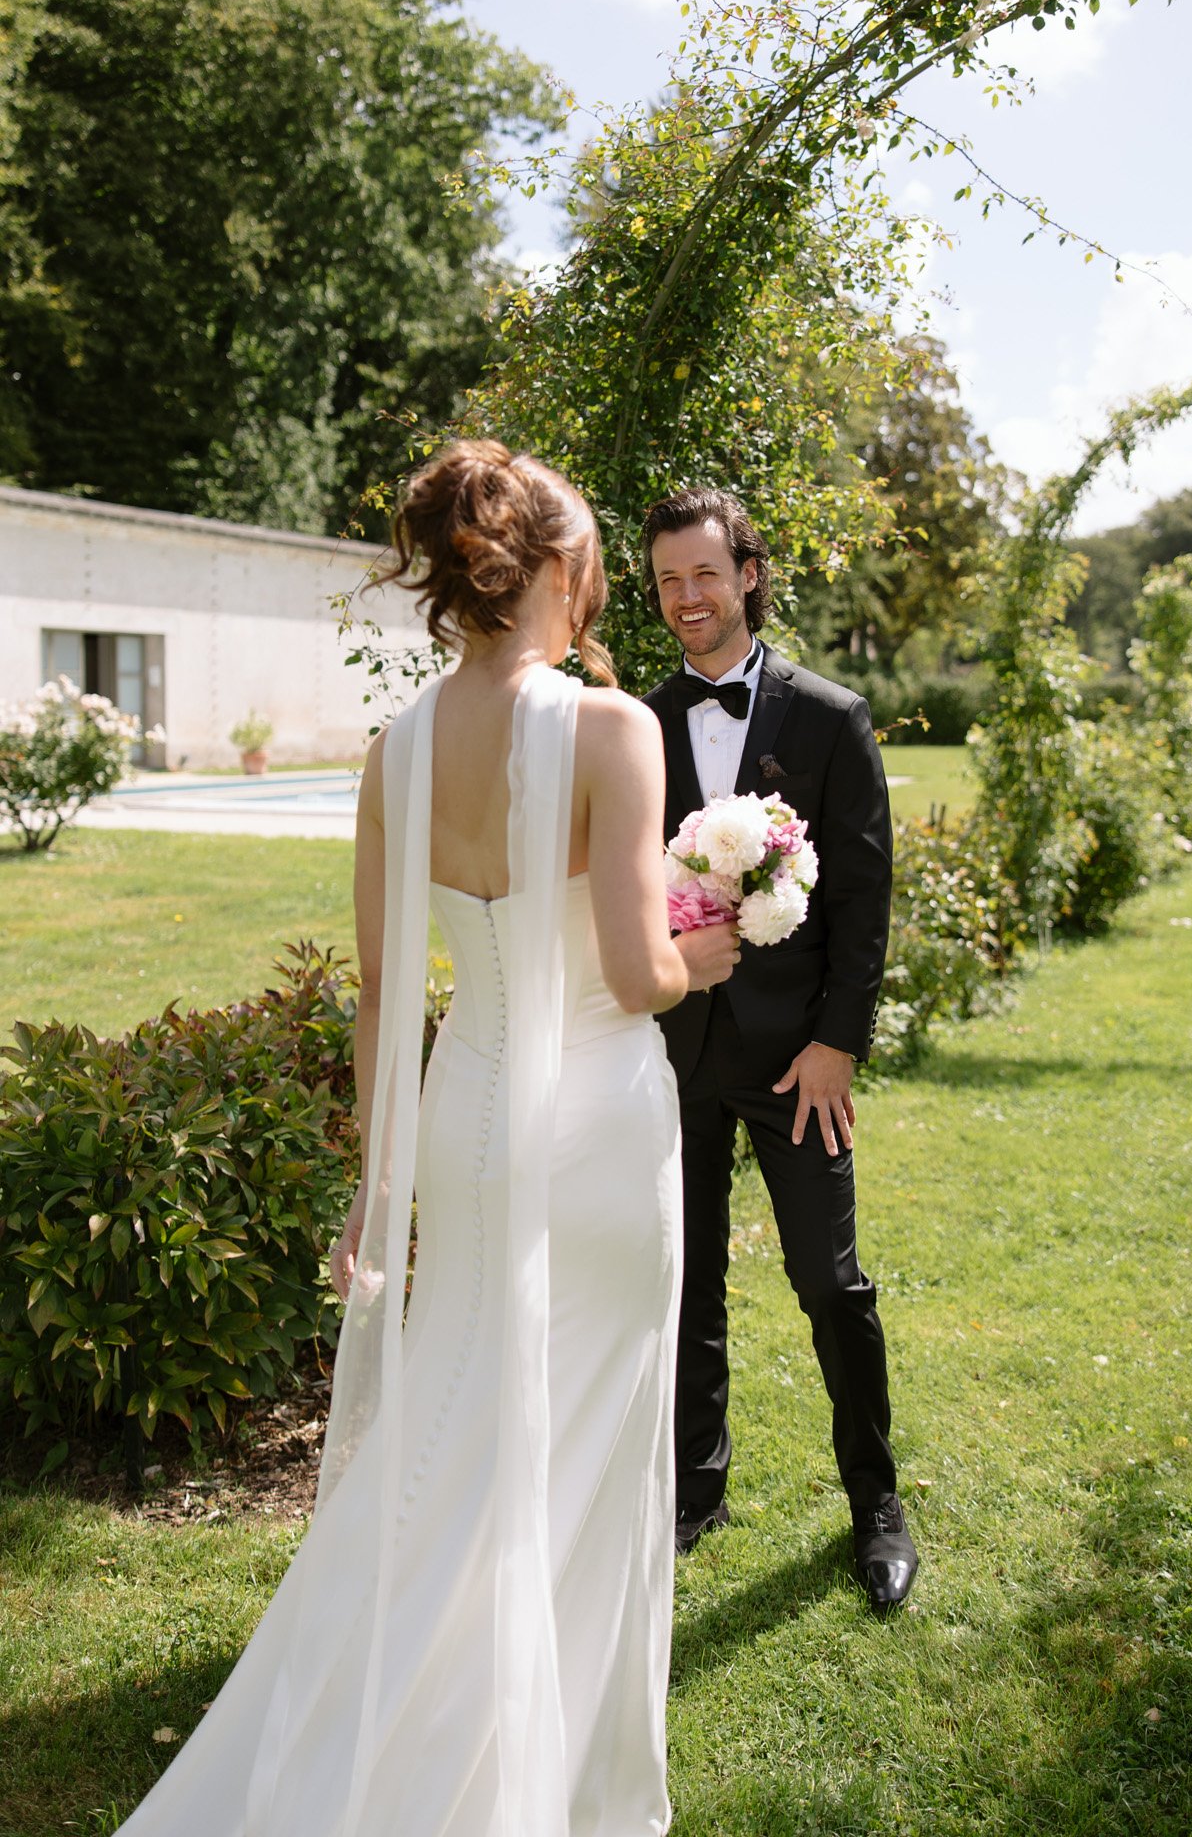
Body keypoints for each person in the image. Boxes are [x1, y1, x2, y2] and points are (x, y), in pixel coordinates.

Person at [115, 441, 739, 1837]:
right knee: (578, 1440)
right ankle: (541, 1778)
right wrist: (733, 940)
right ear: (556, 568)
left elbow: (388, 994)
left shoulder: (397, 744)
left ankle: (410, 1722)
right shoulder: (610, 724)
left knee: (462, 1427)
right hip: (590, 1120)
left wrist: (375, 1184)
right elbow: (640, 975)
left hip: (462, 1109)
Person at [641, 485, 918, 1616]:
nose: (685, 599)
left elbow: (861, 895)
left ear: (748, 572)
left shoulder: (828, 715)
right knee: (681, 1280)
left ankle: (878, 1505)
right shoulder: (638, 721)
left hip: (800, 1060)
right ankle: (690, 1494)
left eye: (703, 574)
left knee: (829, 1280)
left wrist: (836, 1046)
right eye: (665, 581)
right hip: (669, 1055)